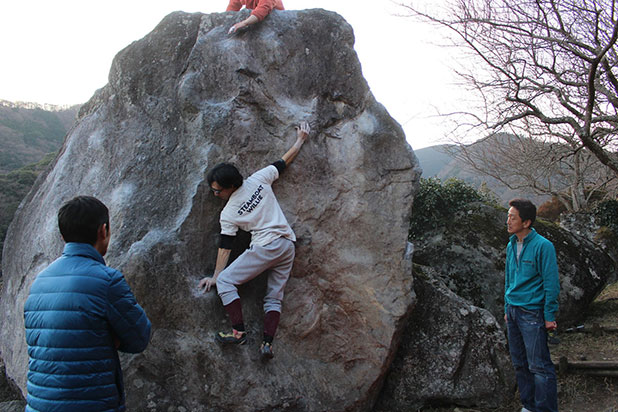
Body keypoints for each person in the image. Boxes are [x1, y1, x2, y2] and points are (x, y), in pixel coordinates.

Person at [24, 196, 151, 412]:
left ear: (63, 236)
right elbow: (139, 337)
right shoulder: (106, 280)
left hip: (37, 405)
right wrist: (111, 338)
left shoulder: (40, 280)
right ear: (104, 231)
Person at [199, 121, 310, 361]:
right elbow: (283, 162)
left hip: (267, 246)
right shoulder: (258, 180)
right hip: (287, 245)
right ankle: (267, 344)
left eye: (217, 190)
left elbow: (226, 246)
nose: (214, 194)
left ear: (230, 187)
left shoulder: (228, 213)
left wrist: (217, 276)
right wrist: (300, 139)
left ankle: (238, 333)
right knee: (273, 297)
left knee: (227, 282)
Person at [504, 198, 560, 412]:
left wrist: (549, 315)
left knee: (539, 366)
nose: (508, 221)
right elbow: (508, 280)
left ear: (526, 222)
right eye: (508, 216)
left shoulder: (543, 246)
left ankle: (545, 409)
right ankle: (528, 406)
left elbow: (551, 283)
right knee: (519, 364)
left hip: (532, 313)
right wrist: (506, 309)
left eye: (512, 217)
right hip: (513, 311)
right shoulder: (510, 245)